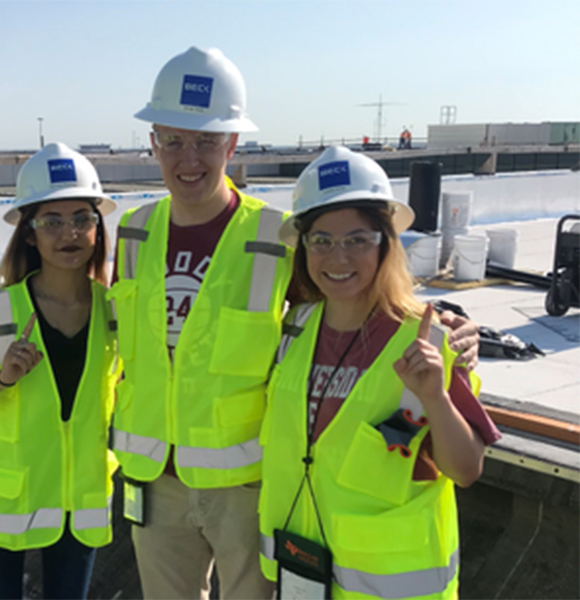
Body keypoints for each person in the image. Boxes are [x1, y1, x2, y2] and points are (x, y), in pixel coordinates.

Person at [109, 47, 483, 600]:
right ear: (153, 142)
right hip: (152, 481)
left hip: (244, 483)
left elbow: (354, 288)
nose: (189, 158)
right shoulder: (134, 232)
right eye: (174, 140)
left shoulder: (278, 237)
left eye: (207, 141)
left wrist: (447, 323)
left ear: (231, 145)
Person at [258, 146, 501, 599]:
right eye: (321, 240)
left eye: (357, 240)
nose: (338, 258)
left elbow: (467, 469)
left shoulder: (428, 339)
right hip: (303, 574)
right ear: (304, 248)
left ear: (386, 244)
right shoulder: (295, 329)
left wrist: (436, 398)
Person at [0, 142, 120, 600]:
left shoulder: (115, 314)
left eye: (82, 218)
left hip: (79, 499)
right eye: (52, 222)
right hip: (2, 499)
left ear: (97, 228)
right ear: (29, 234)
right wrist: (1, 379)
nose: (69, 233)